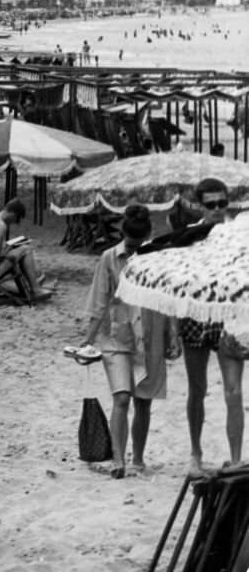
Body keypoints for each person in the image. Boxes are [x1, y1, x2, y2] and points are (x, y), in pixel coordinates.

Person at [81, 204, 180, 479]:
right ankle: (117, 459)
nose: (135, 249)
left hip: (151, 333)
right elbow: (98, 301)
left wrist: (173, 335)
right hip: (117, 334)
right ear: (123, 235)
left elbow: (168, 298)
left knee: (143, 401)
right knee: (122, 398)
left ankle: (137, 458)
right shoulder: (109, 258)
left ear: (148, 234)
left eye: (140, 244)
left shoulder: (159, 257)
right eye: (131, 244)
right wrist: (87, 340)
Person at [170, 178, 244, 475]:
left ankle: (236, 459)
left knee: (234, 391)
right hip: (196, 317)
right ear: (201, 206)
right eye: (211, 204)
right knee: (197, 389)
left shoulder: (238, 236)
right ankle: (196, 453)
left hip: (230, 318)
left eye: (222, 203)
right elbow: (177, 284)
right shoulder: (190, 236)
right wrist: (174, 327)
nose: (217, 209)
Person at [0, 198, 52, 302]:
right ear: (12, 213)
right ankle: (36, 290)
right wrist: (8, 250)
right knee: (26, 249)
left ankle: (33, 285)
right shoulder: (0, 225)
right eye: (17, 219)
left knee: (20, 251)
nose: (14, 222)